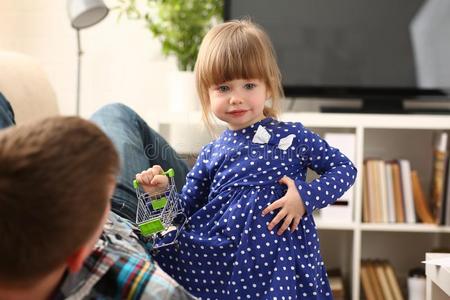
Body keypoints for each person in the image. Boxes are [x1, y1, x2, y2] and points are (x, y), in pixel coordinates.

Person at [136, 20, 357, 299]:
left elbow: (344, 168)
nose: (236, 98)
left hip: (284, 265)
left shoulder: (294, 138)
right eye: (223, 88)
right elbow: (184, 214)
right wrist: (160, 193)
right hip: (225, 266)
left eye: (249, 85)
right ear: (207, 93)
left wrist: (304, 197)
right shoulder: (210, 153)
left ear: (269, 86)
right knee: (159, 242)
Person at [0, 94, 195, 299]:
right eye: (104, 201)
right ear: (79, 256)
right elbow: (156, 235)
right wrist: (160, 200)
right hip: (137, 226)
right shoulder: (152, 289)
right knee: (116, 113)